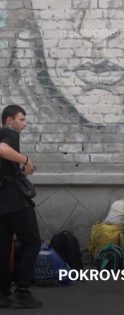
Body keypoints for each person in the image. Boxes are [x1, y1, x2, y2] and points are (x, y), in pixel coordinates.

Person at [0, 105, 42, 308]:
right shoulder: (10, 134)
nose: (24, 123)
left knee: (2, 247)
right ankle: (22, 291)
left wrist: (23, 170)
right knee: (33, 242)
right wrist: (26, 159)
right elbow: (2, 149)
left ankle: (3, 294)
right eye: (21, 119)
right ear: (9, 120)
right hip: (15, 202)